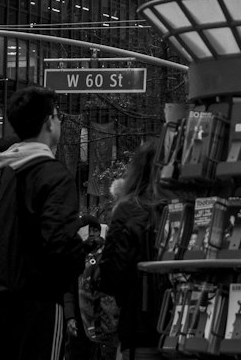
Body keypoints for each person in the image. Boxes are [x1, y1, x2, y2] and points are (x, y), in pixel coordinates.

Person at [0, 84, 86, 360]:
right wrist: (82, 249)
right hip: (37, 302)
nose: (59, 122)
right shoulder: (53, 176)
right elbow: (58, 243)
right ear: (48, 122)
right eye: (57, 116)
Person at [98, 139, 164, 360]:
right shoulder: (188, 206)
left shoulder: (128, 210)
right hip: (190, 326)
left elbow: (111, 274)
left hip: (141, 327)